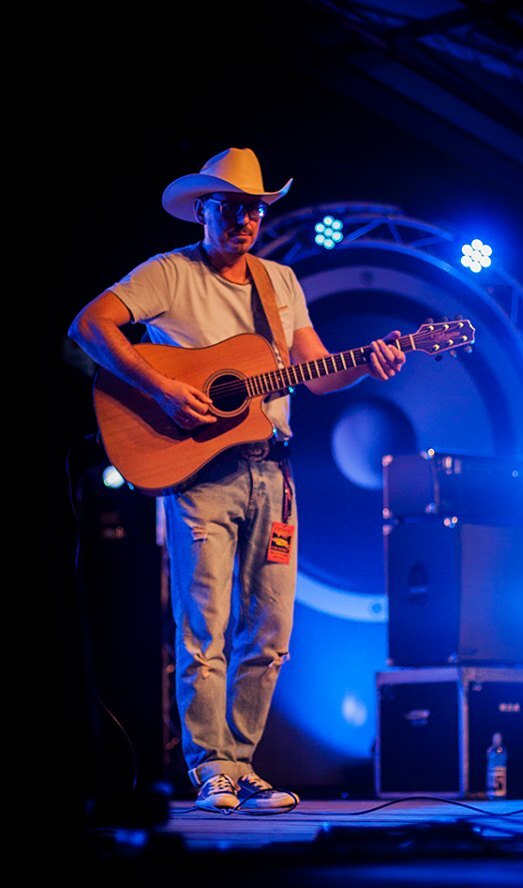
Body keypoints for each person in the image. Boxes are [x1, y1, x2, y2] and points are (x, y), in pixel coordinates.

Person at [69, 147, 406, 813]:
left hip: (271, 471)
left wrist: (367, 363)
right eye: (231, 207)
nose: (245, 220)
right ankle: (211, 769)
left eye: (254, 208)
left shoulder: (280, 282)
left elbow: (315, 369)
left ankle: (242, 765)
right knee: (205, 628)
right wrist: (163, 388)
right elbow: (89, 325)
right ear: (203, 210)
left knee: (271, 632)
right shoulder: (169, 273)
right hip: (200, 473)